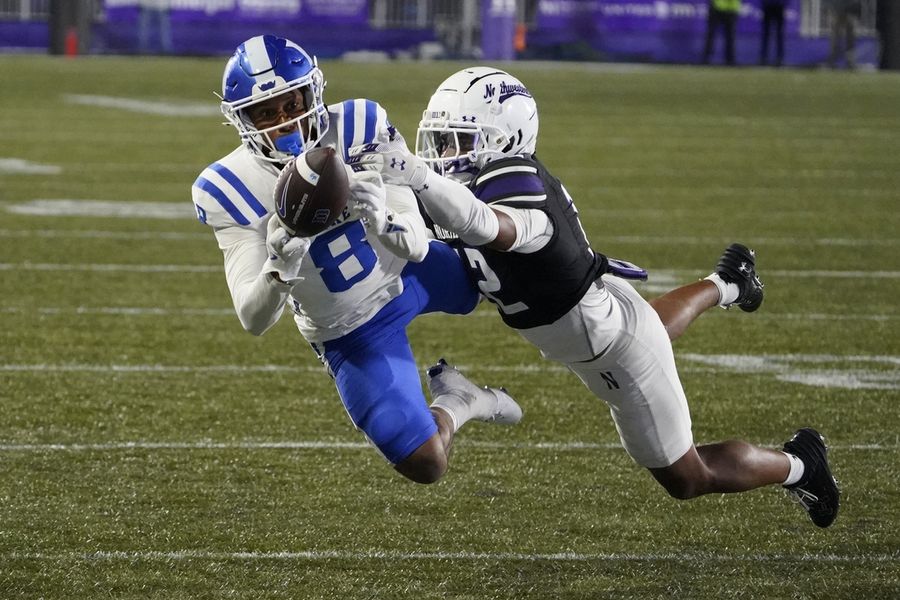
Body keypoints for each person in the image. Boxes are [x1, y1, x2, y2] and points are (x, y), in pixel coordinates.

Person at [349, 66, 840, 527]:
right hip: (595, 317)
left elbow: (484, 225)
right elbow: (429, 213)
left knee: (688, 477)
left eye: (457, 141)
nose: (443, 154)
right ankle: (728, 282)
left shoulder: (513, 180)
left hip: (611, 345)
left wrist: (414, 175)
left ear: (507, 140)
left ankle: (800, 464)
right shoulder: (473, 182)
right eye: (438, 140)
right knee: (648, 330)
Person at [190, 36, 523, 485]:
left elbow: (419, 244)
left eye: (291, 103)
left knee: (522, 273)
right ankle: (462, 401)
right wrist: (279, 267)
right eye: (265, 113)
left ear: (313, 93)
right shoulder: (227, 187)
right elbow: (253, 317)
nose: (285, 122)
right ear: (242, 121)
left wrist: (385, 219)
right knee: (426, 463)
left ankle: (604, 298)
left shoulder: (360, 125)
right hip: (349, 327)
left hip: (410, 271)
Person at [702, 0, 742, 66]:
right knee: (711, 35)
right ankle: (705, 60)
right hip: (717, 7)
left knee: (730, 37)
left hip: (732, 9)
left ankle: (730, 61)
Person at [826, 0, 862, 69]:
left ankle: (849, 61)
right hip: (837, 9)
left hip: (848, 9)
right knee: (836, 36)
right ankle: (832, 60)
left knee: (849, 36)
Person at [760, 0, 787, 67]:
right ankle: (765, 58)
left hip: (776, 5)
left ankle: (778, 58)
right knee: (768, 34)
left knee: (778, 34)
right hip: (770, 5)